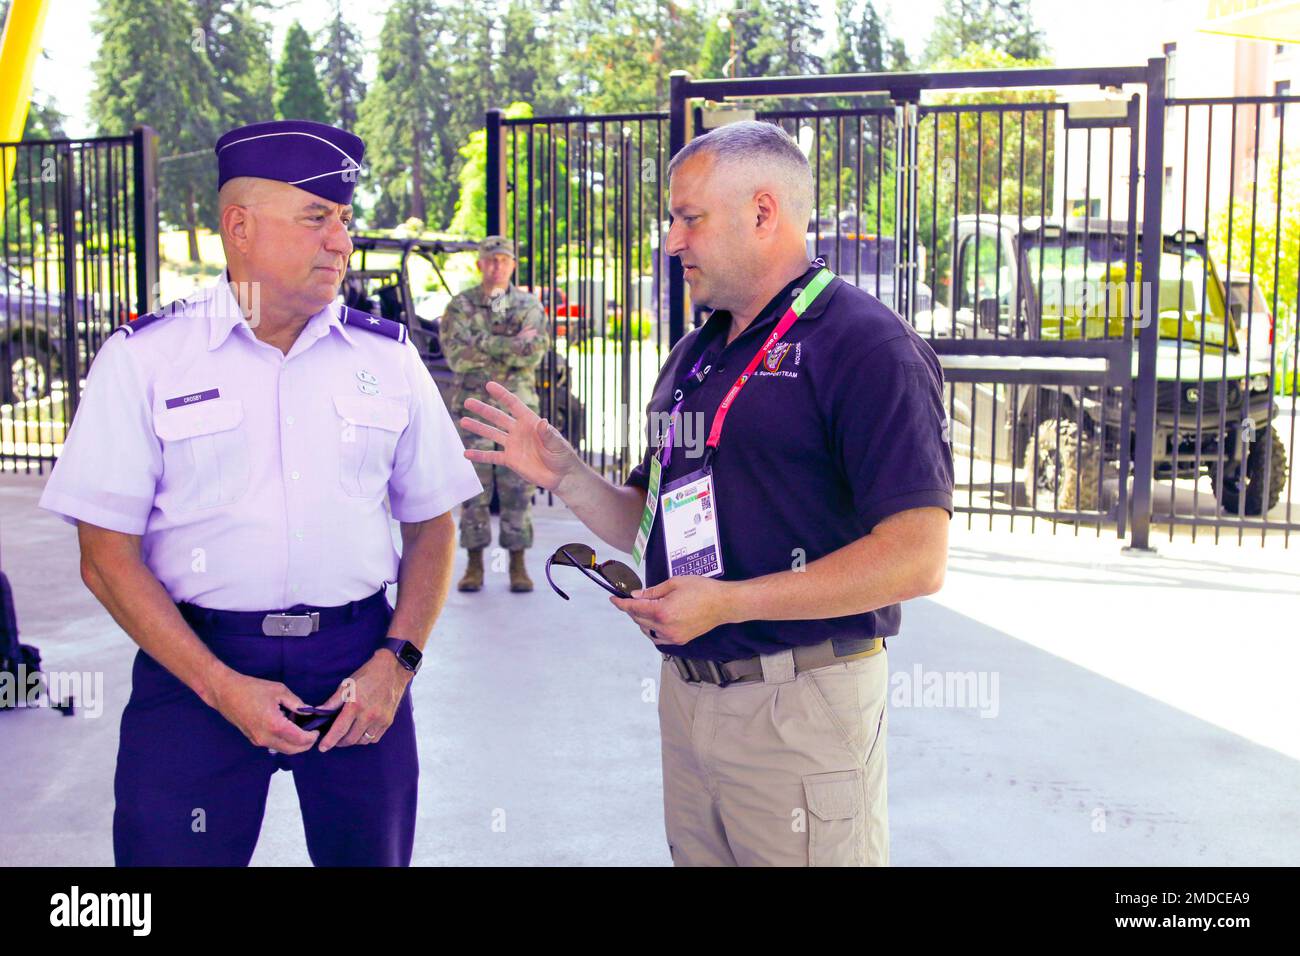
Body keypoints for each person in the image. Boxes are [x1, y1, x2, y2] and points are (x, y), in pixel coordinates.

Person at [459, 120, 954, 866]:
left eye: (689, 218)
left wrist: (729, 601)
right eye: (671, 219)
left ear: (763, 212)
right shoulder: (695, 355)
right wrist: (566, 474)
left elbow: (917, 559)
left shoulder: (864, 346)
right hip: (689, 696)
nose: (671, 240)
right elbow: (645, 518)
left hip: (801, 703)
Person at [37, 119, 482, 866]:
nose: (341, 240)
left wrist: (396, 662)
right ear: (238, 228)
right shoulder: (146, 359)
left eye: (343, 219)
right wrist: (218, 687)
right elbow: (105, 556)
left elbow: (433, 523)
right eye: (317, 218)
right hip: (195, 664)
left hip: (358, 669)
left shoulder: (387, 357)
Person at [440, 236, 549, 593]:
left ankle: (517, 564)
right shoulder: (460, 305)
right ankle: (474, 565)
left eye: (504, 260)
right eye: (490, 260)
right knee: (474, 491)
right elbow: (457, 357)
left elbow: (532, 353)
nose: (497, 266)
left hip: (517, 414)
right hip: (474, 413)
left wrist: (481, 342)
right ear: (479, 265)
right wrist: (509, 344)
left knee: (518, 488)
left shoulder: (529, 305)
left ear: (513, 265)